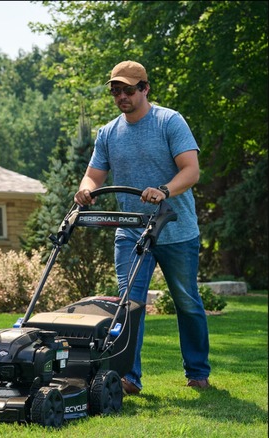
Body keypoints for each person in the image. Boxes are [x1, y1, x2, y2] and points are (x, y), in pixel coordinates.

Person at [73, 60, 211, 394]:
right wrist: (86, 187)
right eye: (116, 90)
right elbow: (94, 173)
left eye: (129, 90)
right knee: (128, 305)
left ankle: (197, 371)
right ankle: (128, 377)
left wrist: (164, 190)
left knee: (186, 301)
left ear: (145, 89)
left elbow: (191, 171)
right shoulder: (108, 133)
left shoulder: (169, 121)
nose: (122, 96)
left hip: (175, 229)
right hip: (131, 229)